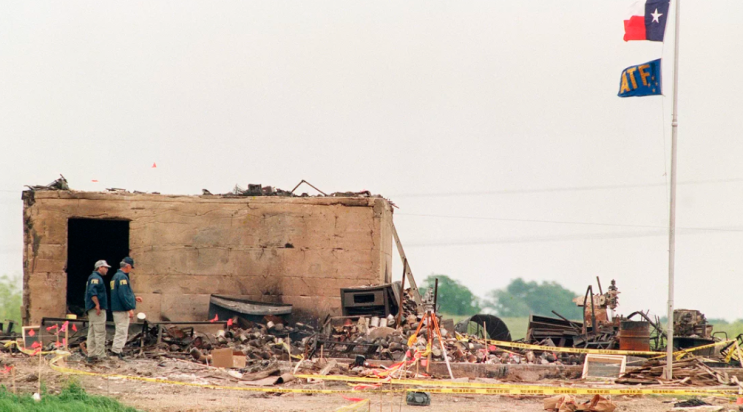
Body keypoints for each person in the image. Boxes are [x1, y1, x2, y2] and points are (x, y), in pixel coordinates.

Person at [109, 256, 142, 359]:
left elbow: (121, 293)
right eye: (131, 267)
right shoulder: (122, 277)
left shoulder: (115, 276)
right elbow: (122, 294)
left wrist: (133, 298)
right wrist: (129, 308)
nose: (131, 269)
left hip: (117, 308)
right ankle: (116, 352)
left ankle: (117, 350)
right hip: (121, 310)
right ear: (127, 266)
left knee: (120, 330)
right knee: (122, 331)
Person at [84, 260, 110, 362]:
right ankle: (100, 355)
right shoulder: (96, 278)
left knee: (92, 332)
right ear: (100, 268)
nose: (107, 270)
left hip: (93, 309)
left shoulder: (94, 277)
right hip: (96, 309)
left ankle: (91, 354)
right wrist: (97, 305)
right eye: (105, 267)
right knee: (99, 332)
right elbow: (92, 292)